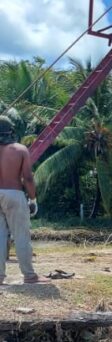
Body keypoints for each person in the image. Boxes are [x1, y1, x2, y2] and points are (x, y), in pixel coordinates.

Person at [0, 116, 49, 285]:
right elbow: (28, 178)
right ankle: (29, 275)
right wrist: (33, 199)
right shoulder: (20, 150)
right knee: (21, 235)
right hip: (14, 193)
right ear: (10, 131)